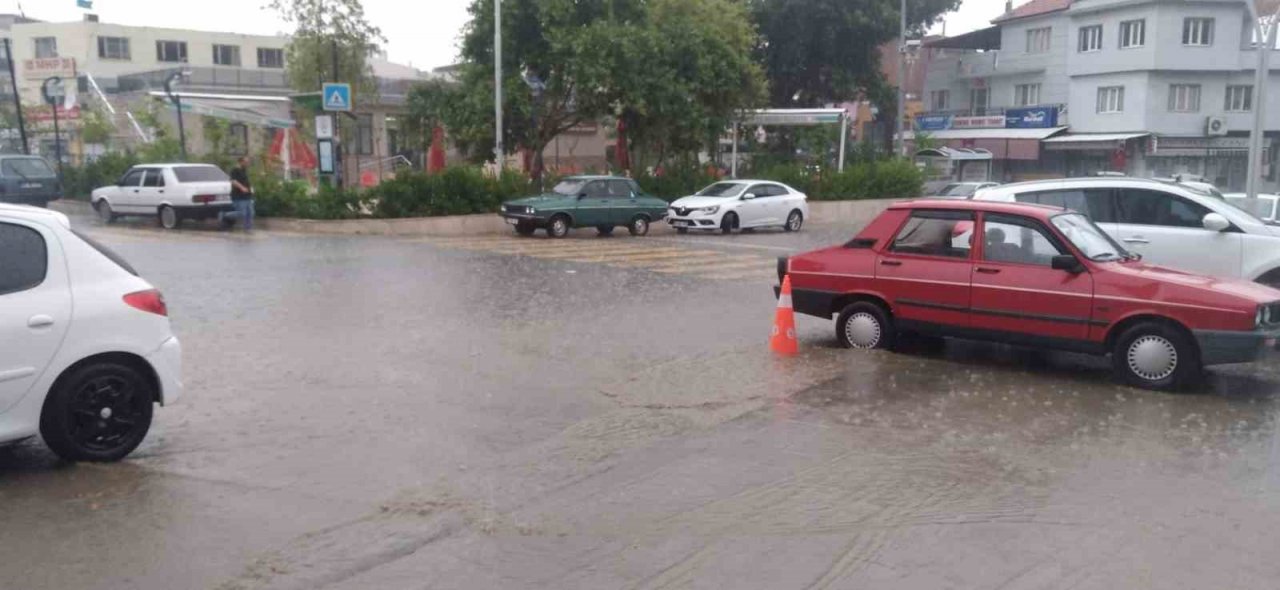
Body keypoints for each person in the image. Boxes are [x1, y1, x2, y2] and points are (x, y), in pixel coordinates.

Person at [229, 156, 254, 231]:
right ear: (240, 162)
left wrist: (251, 188)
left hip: (247, 195)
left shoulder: (244, 170)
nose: (247, 164)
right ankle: (224, 215)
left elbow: (246, 180)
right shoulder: (235, 170)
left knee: (251, 213)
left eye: (248, 162)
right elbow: (233, 181)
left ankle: (248, 228)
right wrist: (242, 188)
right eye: (246, 162)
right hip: (238, 195)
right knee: (242, 213)